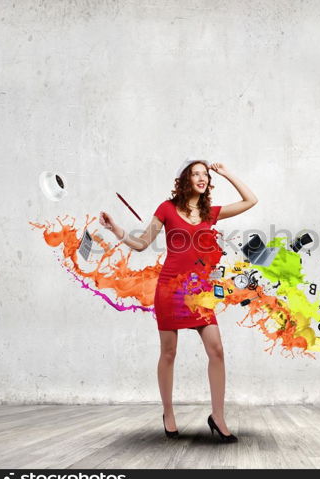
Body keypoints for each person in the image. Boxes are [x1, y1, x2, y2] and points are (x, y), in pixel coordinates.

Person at [99, 160, 258, 443]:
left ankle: (218, 416)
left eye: (206, 175)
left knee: (217, 350)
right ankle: (168, 413)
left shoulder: (212, 213)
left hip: (199, 294)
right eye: (196, 173)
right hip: (170, 289)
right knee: (169, 353)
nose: (202, 178)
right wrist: (116, 230)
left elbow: (251, 200)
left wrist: (226, 173)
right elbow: (142, 243)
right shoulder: (166, 208)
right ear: (184, 179)